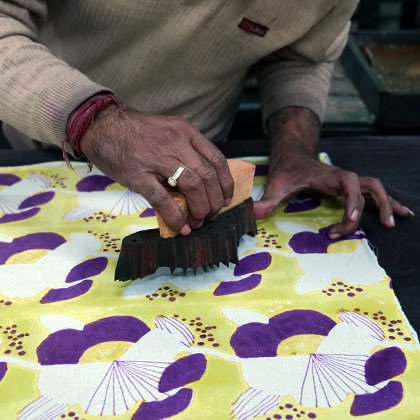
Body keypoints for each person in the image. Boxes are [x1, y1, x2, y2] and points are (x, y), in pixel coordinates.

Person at [0, 1, 413, 237]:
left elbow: (299, 53)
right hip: (45, 154)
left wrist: (296, 148)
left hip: (198, 181)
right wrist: (95, 120)